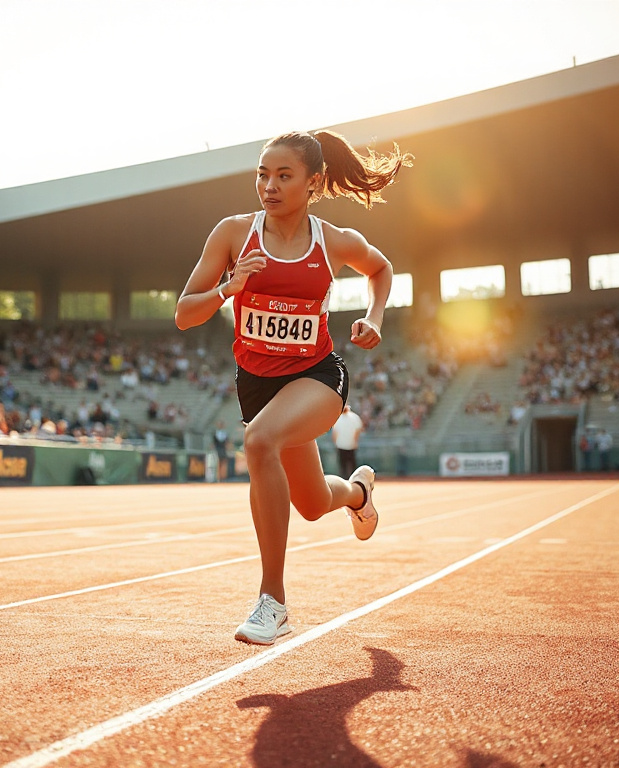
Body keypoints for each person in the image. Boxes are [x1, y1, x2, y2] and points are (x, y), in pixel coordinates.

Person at [175, 129, 409, 645]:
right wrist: (226, 289)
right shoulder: (234, 234)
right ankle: (358, 492)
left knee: (259, 442)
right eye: (263, 174)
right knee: (310, 502)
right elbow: (184, 314)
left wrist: (374, 317)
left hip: (317, 377)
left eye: (284, 175)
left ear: (314, 182)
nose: (270, 185)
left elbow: (381, 267)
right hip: (258, 387)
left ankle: (272, 601)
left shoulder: (332, 241)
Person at [330, 404, 364, 476]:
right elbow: (358, 430)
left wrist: (335, 442)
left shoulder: (339, 418)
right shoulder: (354, 417)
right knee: (349, 465)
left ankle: (347, 480)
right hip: (347, 445)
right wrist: (355, 441)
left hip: (343, 445)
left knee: (345, 465)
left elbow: (334, 433)